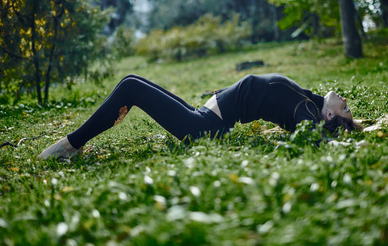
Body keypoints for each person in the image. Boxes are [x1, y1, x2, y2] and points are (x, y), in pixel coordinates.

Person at [38, 73, 361, 159]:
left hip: (206, 128)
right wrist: (352, 123)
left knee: (131, 88)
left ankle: (70, 145)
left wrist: (343, 138)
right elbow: (325, 106)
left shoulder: (304, 111)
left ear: (330, 117)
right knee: (129, 83)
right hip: (204, 115)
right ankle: (74, 145)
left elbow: (313, 136)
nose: (345, 100)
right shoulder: (311, 100)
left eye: (345, 108)